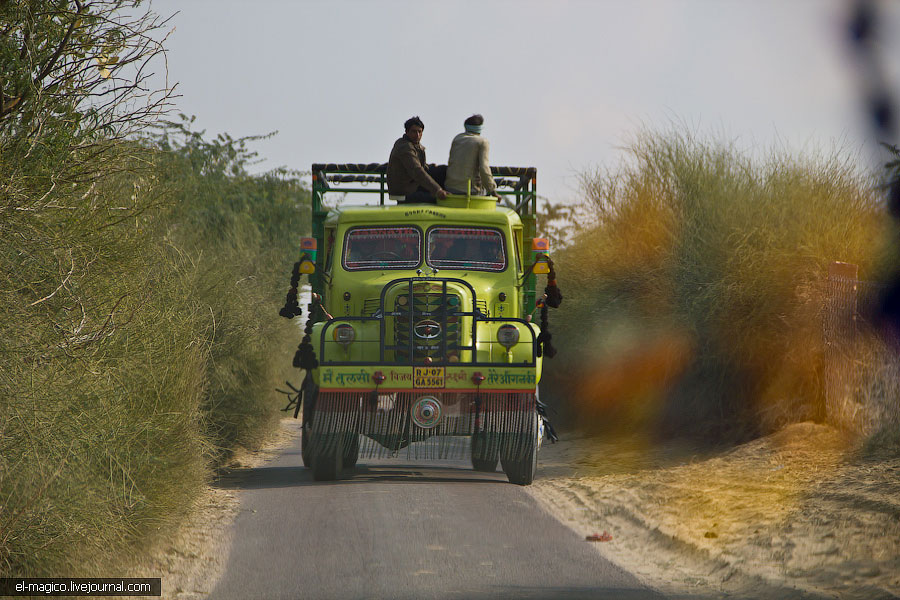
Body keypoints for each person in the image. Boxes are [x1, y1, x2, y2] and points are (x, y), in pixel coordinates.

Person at [387, 116, 448, 204]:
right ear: (407, 132)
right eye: (414, 131)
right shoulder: (405, 147)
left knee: (442, 170)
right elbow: (417, 171)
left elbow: (422, 167)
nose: (417, 135)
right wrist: (437, 190)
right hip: (405, 190)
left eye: (419, 132)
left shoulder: (415, 146)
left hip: (413, 184)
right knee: (436, 199)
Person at [445, 114, 499, 199]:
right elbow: (484, 168)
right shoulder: (482, 142)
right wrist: (493, 191)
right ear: (480, 128)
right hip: (470, 190)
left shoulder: (457, 138)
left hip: (450, 188)